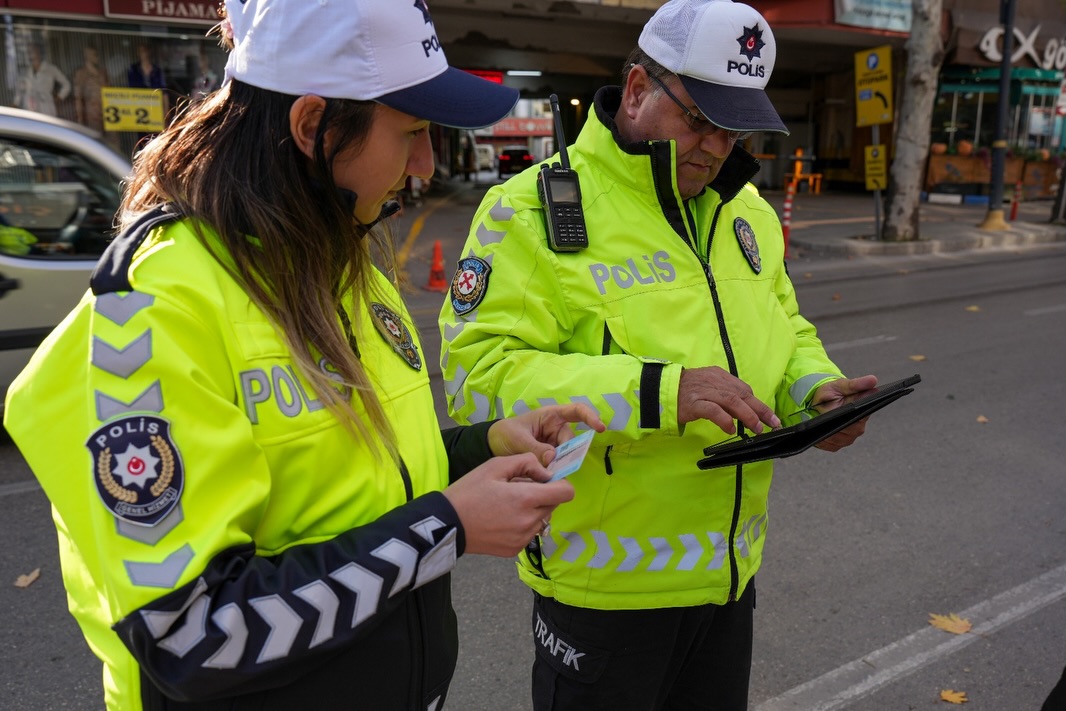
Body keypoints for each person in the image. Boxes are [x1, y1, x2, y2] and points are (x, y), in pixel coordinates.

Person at [2, 1, 604, 709]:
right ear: (313, 125)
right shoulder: (150, 316)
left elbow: (352, 483)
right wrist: (445, 526)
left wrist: (478, 449)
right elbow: (189, 635)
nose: (426, 164)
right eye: (411, 132)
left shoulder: (345, 269)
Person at [437, 0, 878, 708]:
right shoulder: (527, 213)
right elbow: (479, 382)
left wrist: (815, 392)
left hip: (729, 577)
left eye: (733, 130)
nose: (714, 146)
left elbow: (786, 326)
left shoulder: (747, 212)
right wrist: (657, 391)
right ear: (638, 89)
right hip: (604, 593)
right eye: (699, 119)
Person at [15, 42, 70, 117]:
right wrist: (15, 104)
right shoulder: (25, 71)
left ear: (38, 51)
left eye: (32, 50)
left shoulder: (50, 69)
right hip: (29, 109)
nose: (30, 53)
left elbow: (66, 85)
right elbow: (20, 91)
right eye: (28, 51)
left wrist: (59, 98)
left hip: (46, 108)